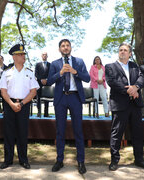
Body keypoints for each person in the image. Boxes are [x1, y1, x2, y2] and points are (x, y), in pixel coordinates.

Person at [105, 42, 144, 171]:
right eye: (120, 50)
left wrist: (136, 87)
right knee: (116, 133)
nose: (122, 52)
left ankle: (139, 160)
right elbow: (112, 81)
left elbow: (142, 78)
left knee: (137, 133)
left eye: (125, 50)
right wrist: (128, 90)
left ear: (130, 53)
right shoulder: (110, 66)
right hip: (119, 104)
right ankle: (114, 161)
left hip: (135, 105)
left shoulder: (135, 66)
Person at [47, 39, 90, 174]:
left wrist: (74, 71)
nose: (65, 48)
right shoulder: (55, 63)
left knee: (78, 130)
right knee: (60, 130)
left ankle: (81, 161)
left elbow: (87, 78)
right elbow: (49, 81)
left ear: (71, 47)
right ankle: (59, 160)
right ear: (59, 49)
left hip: (75, 98)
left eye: (67, 45)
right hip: (61, 98)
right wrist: (60, 73)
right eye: (63, 46)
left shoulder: (79, 62)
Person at [0, 44, 39, 169]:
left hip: (24, 105)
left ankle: (23, 160)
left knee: (22, 133)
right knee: (9, 133)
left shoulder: (29, 73)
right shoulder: (7, 73)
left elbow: (33, 91)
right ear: (14, 57)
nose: (23, 56)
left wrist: (21, 104)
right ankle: (8, 160)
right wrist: (11, 104)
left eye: (23, 54)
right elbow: (3, 91)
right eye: (20, 54)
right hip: (9, 104)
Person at [35, 52, 51, 117]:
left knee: (47, 98)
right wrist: (41, 79)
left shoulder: (50, 65)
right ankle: (39, 112)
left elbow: (51, 74)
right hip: (39, 83)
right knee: (38, 97)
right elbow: (36, 74)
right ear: (41, 56)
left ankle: (46, 113)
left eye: (46, 55)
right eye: (43, 55)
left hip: (47, 83)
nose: (44, 56)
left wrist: (46, 79)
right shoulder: (38, 64)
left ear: (47, 56)